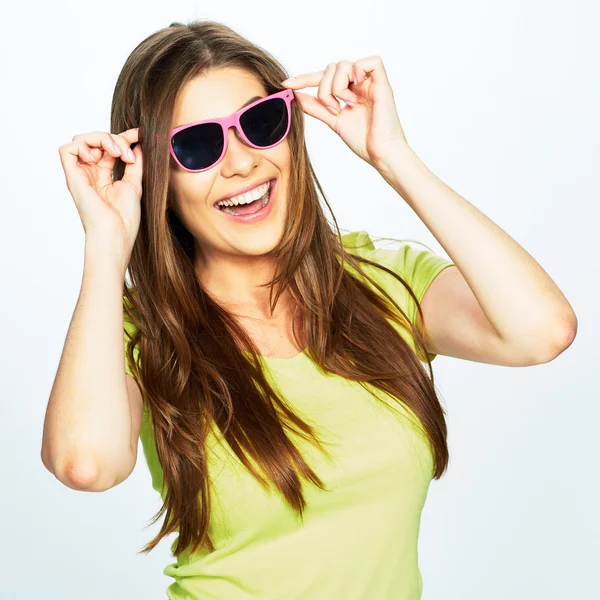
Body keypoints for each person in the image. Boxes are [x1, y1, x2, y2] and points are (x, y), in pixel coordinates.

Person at [43, 19, 577, 600]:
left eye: (261, 122)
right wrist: (107, 241)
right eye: (197, 146)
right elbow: (86, 465)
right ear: (156, 176)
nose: (242, 162)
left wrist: (393, 156)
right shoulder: (140, 331)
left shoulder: (382, 281)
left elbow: (541, 332)